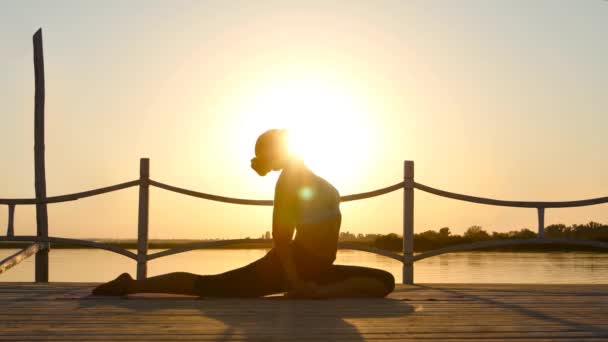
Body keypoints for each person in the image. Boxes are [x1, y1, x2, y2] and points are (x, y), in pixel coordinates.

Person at [92, 129, 395, 298]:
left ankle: (317, 293)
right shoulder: (288, 182)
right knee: (208, 287)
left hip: (316, 270)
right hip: (288, 266)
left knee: (385, 281)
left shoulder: (307, 177)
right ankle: (131, 285)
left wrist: (307, 285)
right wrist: (290, 279)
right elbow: (280, 237)